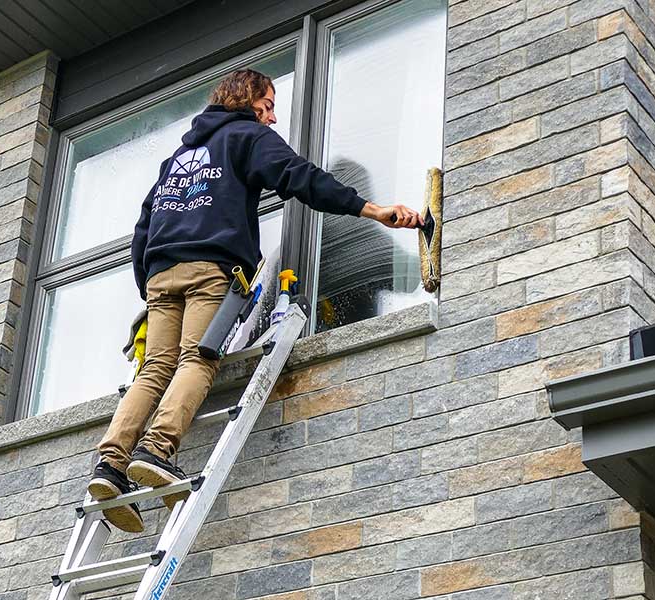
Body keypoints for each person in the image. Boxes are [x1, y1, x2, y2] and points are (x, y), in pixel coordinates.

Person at [87, 69, 423, 533]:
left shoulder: (180, 157)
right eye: (267, 104)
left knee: (155, 369)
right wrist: (371, 209)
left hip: (162, 275)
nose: (273, 115)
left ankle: (110, 464)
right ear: (247, 102)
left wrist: (149, 280)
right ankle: (157, 450)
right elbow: (300, 177)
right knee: (198, 358)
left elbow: (144, 225)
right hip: (211, 270)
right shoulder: (245, 137)